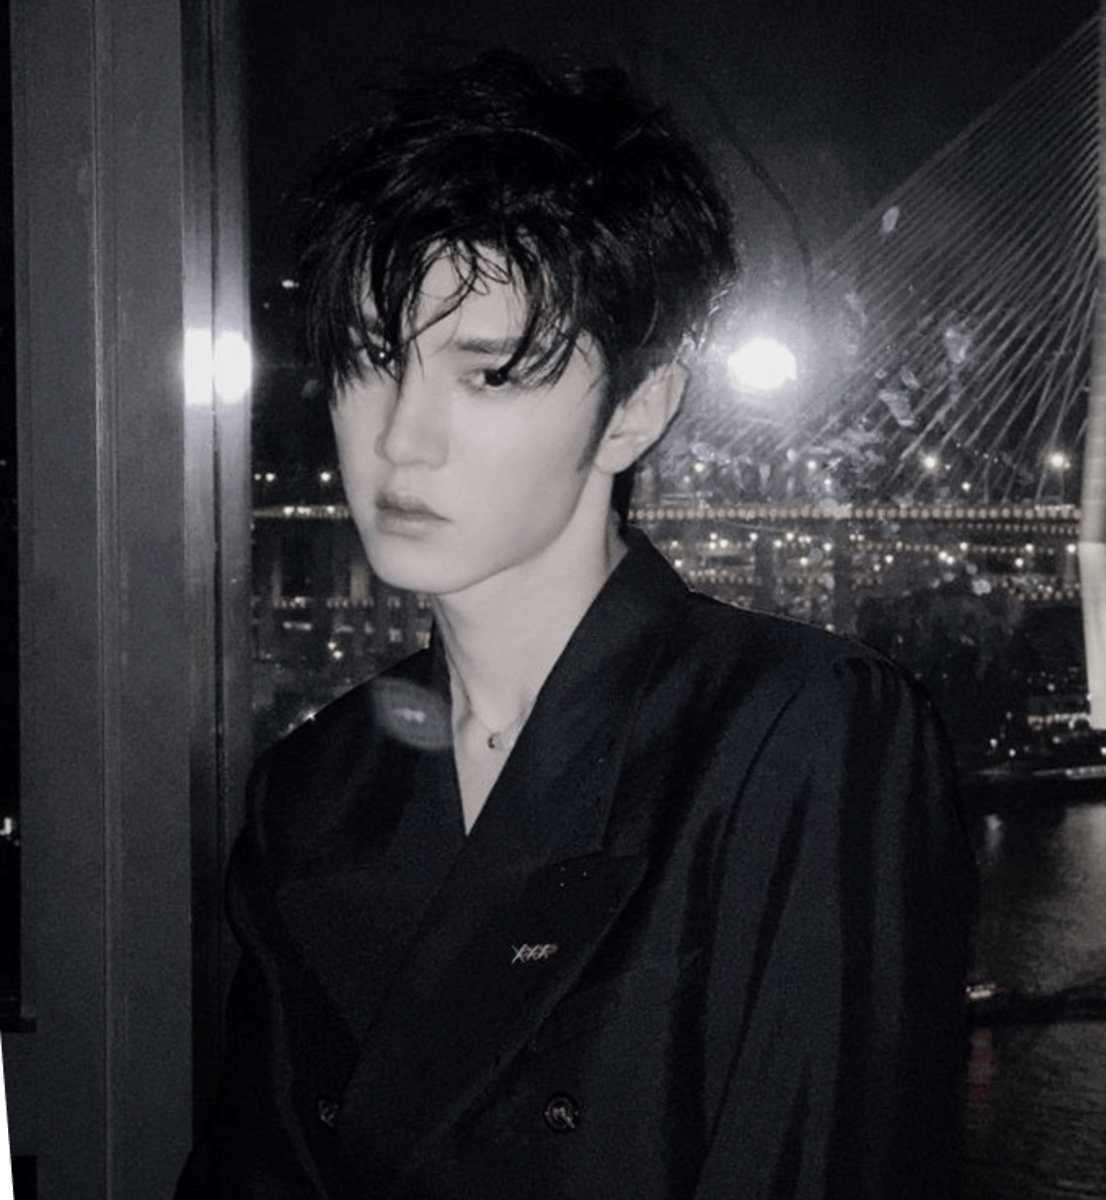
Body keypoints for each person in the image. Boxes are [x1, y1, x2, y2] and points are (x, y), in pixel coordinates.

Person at [177, 50, 974, 1199]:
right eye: (372, 359)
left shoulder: (795, 738)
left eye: (490, 374)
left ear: (637, 408)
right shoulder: (313, 789)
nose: (401, 439)